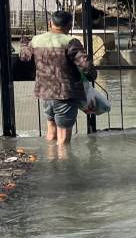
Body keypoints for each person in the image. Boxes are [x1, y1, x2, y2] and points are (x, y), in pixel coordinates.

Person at [18, 9, 96, 146]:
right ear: (69, 26)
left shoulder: (36, 40)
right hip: (65, 94)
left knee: (51, 133)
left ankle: (51, 163)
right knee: (63, 140)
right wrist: (92, 76)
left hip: (45, 93)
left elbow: (24, 57)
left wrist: (24, 44)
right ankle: (63, 166)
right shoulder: (70, 42)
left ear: (50, 23)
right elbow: (86, 66)